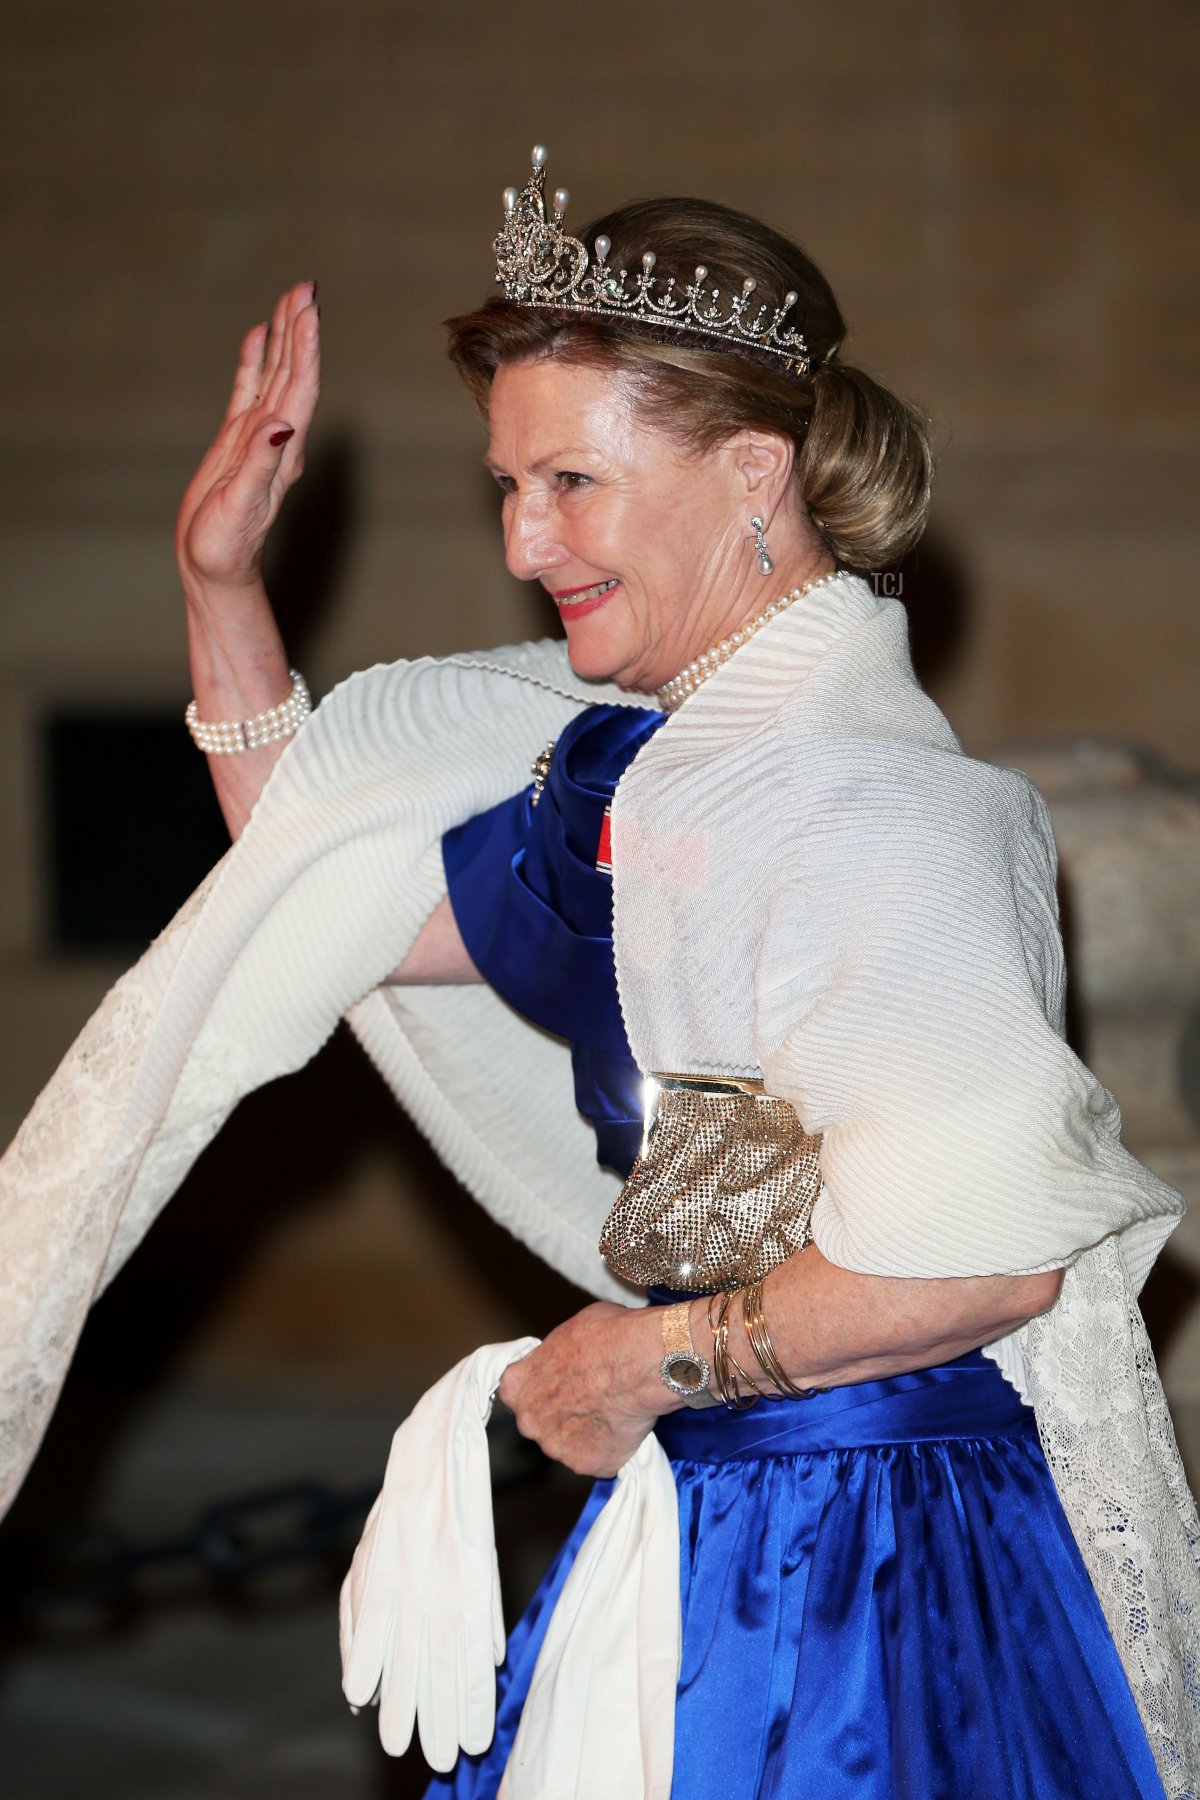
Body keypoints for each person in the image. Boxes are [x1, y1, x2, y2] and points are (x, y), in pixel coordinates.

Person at [2, 147, 1197, 1798]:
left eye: (570, 480)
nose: (523, 537)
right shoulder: (636, 770)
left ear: (755, 473)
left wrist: (632, 1361)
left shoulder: (886, 810)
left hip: (880, 1564)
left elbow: (987, 1271)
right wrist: (221, 588)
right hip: (713, 1508)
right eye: (507, 485)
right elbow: (323, 888)